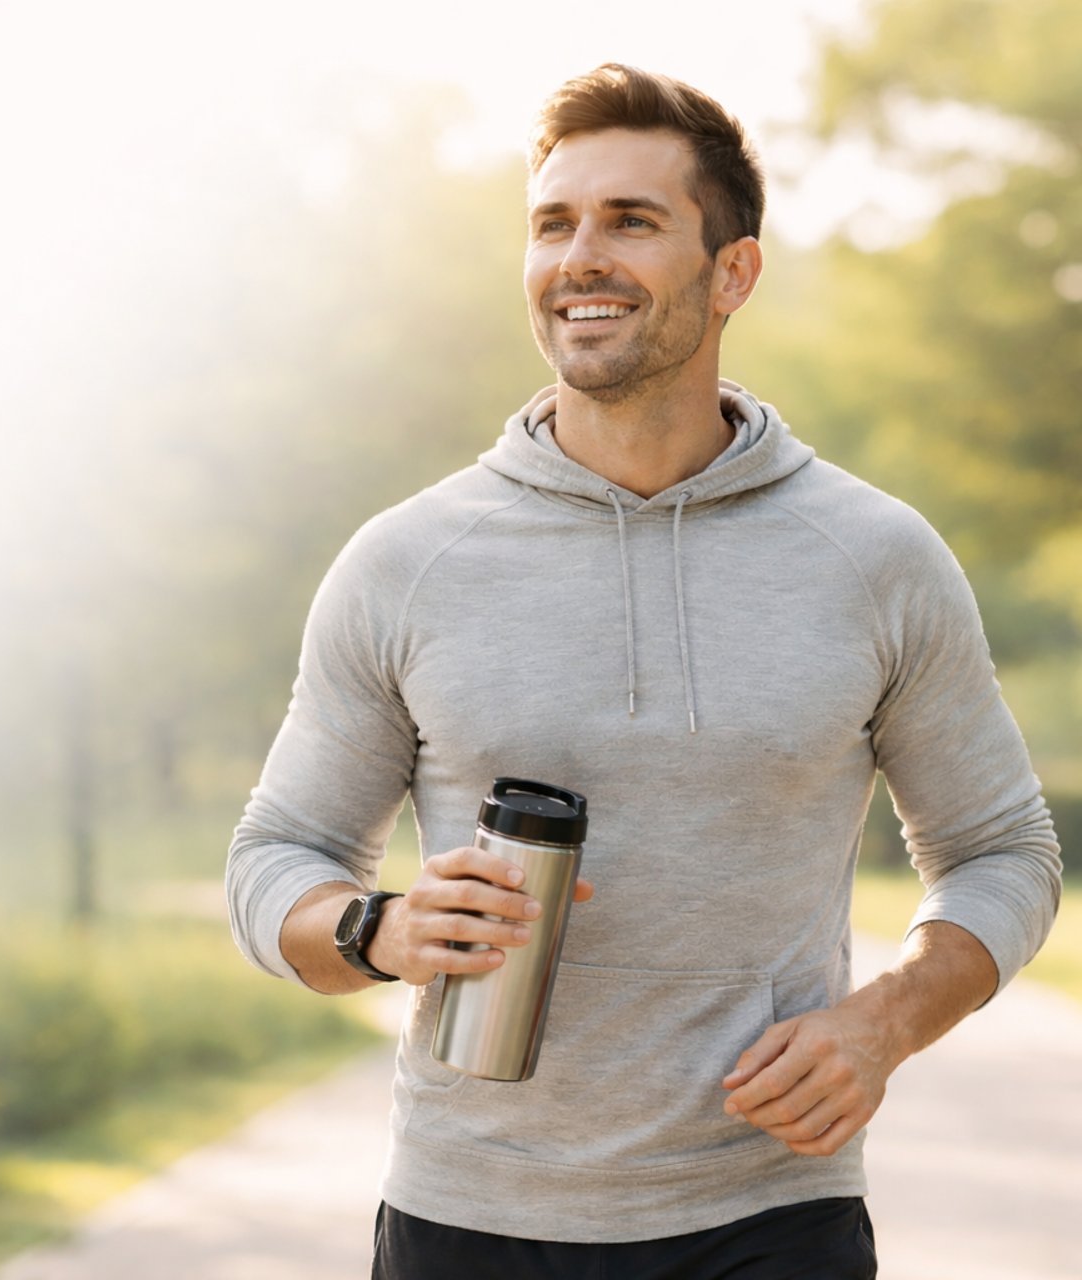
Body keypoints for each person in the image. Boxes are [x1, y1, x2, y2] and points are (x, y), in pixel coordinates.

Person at [225, 63, 1062, 1278]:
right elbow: (274, 857)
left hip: (772, 1215)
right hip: (471, 1215)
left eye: (631, 220)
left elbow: (1004, 849)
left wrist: (883, 1024)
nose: (580, 258)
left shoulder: (876, 557)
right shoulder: (407, 562)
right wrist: (378, 926)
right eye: (552, 223)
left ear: (734, 272)